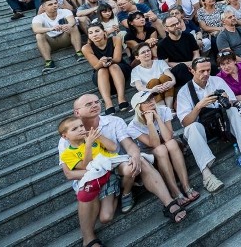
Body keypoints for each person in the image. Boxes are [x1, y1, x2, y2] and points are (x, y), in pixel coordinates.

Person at [61, 94, 185, 246]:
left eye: (97, 102)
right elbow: (69, 173)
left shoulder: (114, 121)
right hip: (93, 174)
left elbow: (129, 145)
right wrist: (99, 172)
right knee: (93, 194)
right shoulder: (68, 137)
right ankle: (88, 238)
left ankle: (169, 203)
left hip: (117, 166)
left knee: (139, 161)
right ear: (77, 112)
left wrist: (134, 155)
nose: (95, 105)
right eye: (88, 104)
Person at [176, 57, 241, 194]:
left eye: (208, 70)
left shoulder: (217, 81)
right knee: (191, 128)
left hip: (221, 123)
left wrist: (226, 100)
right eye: (202, 71)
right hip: (202, 127)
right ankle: (207, 175)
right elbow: (185, 122)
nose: (206, 74)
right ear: (192, 71)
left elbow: (232, 102)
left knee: (232, 110)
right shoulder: (184, 92)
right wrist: (198, 106)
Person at [126, 91, 199, 209]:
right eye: (146, 101)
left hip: (171, 146)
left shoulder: (163, 110)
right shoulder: (133, 126)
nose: (151, 102)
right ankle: (175, 191)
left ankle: (186, 186)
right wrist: (150, 122)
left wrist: (158, 118)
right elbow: (154, 144)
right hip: (153, 153)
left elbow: (167, 137)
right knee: (160, 149)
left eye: (152, 98)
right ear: (138, 107)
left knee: (170, 144)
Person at [82, 22, 130, 114]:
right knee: (102, 70)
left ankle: (121, 98)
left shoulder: (116, 39)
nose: (94, 34)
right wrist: (101, 63)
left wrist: (109, 60)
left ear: (104, 32)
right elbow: (96, 66)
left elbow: (117, 59)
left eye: (97, 31)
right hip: (101, 76)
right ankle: (108, 104)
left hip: (120, 70)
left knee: (113, 66)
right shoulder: (86, 48)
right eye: (90, 33)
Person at [32, 0, 83, 73]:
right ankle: (49, 62)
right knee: (39, 35)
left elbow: (72, 21)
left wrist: (68, 25)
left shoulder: (65, 11)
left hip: (65, 38)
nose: (54, 5)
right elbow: (36, 29)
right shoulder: (38, 17)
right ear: (43, 7)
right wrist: (51, 29)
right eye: (50, 4)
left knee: (73, 27)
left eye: (55, 3)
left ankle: (79, 53)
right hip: (50, 43)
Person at [157, 13, 201, 87]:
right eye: (173, 25)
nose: (177, 26)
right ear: (166, 29)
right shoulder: (162, 44)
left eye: (177, 23)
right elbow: (165, 64)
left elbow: (196, 52)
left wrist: (195, 63)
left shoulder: (189, 36)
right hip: (177, 70)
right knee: (181, 67)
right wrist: (188, 64)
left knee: (210, 65)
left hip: (193, 65)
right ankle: (194, 88)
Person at [130, 43, 176, 109]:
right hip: (151, 95)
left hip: (166, 91)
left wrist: (173, 82)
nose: (147, 53)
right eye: (143, 52)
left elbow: (170, 75)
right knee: (153, 81)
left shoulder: (160, 62)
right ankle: (162, 110)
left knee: (164, 77)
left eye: (148, 50)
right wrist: (152, 90)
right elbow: (139, 87)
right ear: (137, 57)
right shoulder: (135, 71)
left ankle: (170, 108)